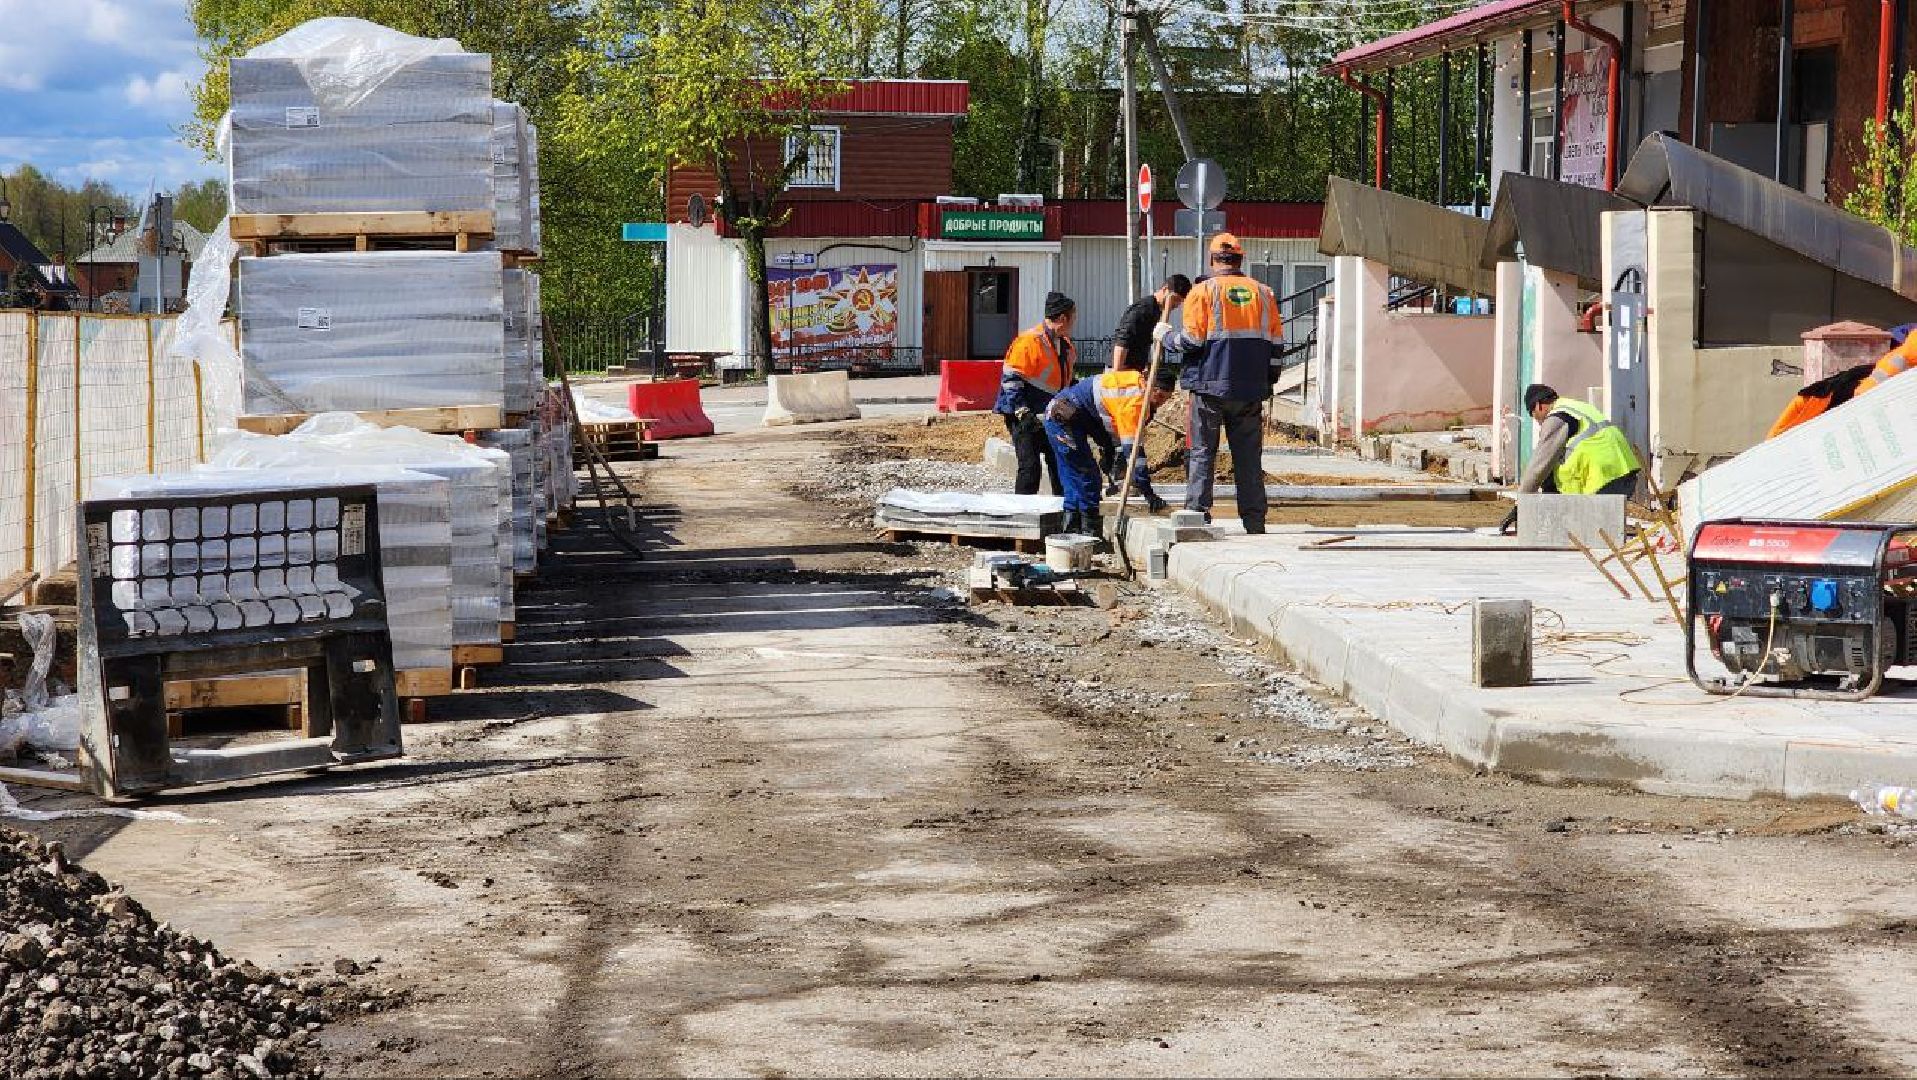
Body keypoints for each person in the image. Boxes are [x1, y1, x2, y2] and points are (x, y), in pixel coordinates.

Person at [1155, 233, 1282, 533]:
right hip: (1249, 389)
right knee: (1248, 458)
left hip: (1208, 386)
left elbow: (1191, 340)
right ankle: (1254, 521)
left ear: (1212, 260)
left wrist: (1166, 336)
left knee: (1201, 452)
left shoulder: (1202, 292)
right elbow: (1276, 346)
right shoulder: (1264, 293)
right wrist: (1268, 380)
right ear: (1240, 259)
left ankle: (1197, 516)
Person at [994, 291, 1079, 496]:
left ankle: (1062, 508)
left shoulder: (1065, 345)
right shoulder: (1029, 342)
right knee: (1030, 467)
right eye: (1073, 318)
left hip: (1049, 413)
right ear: (1062, 318)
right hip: (1023, 413)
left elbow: (1066, 380)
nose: (1074, 323)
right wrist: (1022, 412)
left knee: (1058, 462)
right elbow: (1011, 379)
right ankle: (1023, 510)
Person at [1516, 384, 1641, 497]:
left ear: (1538, 406)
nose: (1537, 421)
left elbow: (1540, 463)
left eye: (1533, 414)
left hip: (1601, 476)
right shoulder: (1577, 407)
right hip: (1625, 470)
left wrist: (1522, 501)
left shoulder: (1557, 417)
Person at [1111, 275, 1192, 372]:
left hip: (1134, 369)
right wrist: (1117, 371)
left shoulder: (1157, 310)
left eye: (1180, 302)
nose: (1176, 305)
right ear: (1165, 289)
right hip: (1122, 369)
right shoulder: (1142, 309)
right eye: (1175, 299)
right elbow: (1123, 339)